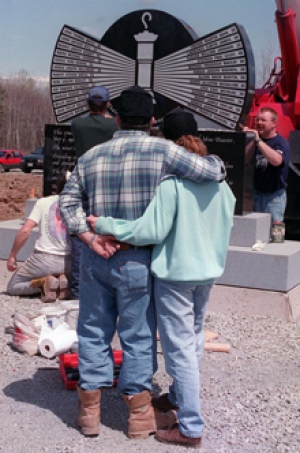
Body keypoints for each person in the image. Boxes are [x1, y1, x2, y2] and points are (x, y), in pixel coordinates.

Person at [59, 86, 226, 440]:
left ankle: (89, 413)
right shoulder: (164, 150)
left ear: (116, 117)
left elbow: (68, 203)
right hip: (139, 257)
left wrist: (89, 238)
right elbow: (213, 172)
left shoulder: (91, 156)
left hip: (95, 255)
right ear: (151, 122)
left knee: (92, 329)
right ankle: (137, 417)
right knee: (138, 335)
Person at [69, 86, 118, 299]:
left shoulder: (77, 124)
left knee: (82, 234)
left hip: (83, 180)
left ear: (88, 103)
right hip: (108, 182)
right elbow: (115, 121)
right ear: (107, 103)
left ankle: (79, 289)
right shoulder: (112, 126)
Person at [7, 172, 71, 302]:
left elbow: (25, 231)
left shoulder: (44, 202)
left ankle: (43, 283)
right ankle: (62, 281)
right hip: (69, 260)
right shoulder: (79, 205)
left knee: (13, 286)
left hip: (43, 259)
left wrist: (13, 255)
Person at [243, 107, 290, 224]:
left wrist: (259, 142)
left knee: (274, 234)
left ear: (273, 123)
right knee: (254, 230)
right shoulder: (254, 142)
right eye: (257, 120)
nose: (259, 123)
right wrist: (254, 141)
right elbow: (244, 160)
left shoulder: (281, 143)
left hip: (274, 198)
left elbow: (277, 161)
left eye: (263, 120)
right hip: (255, 194)